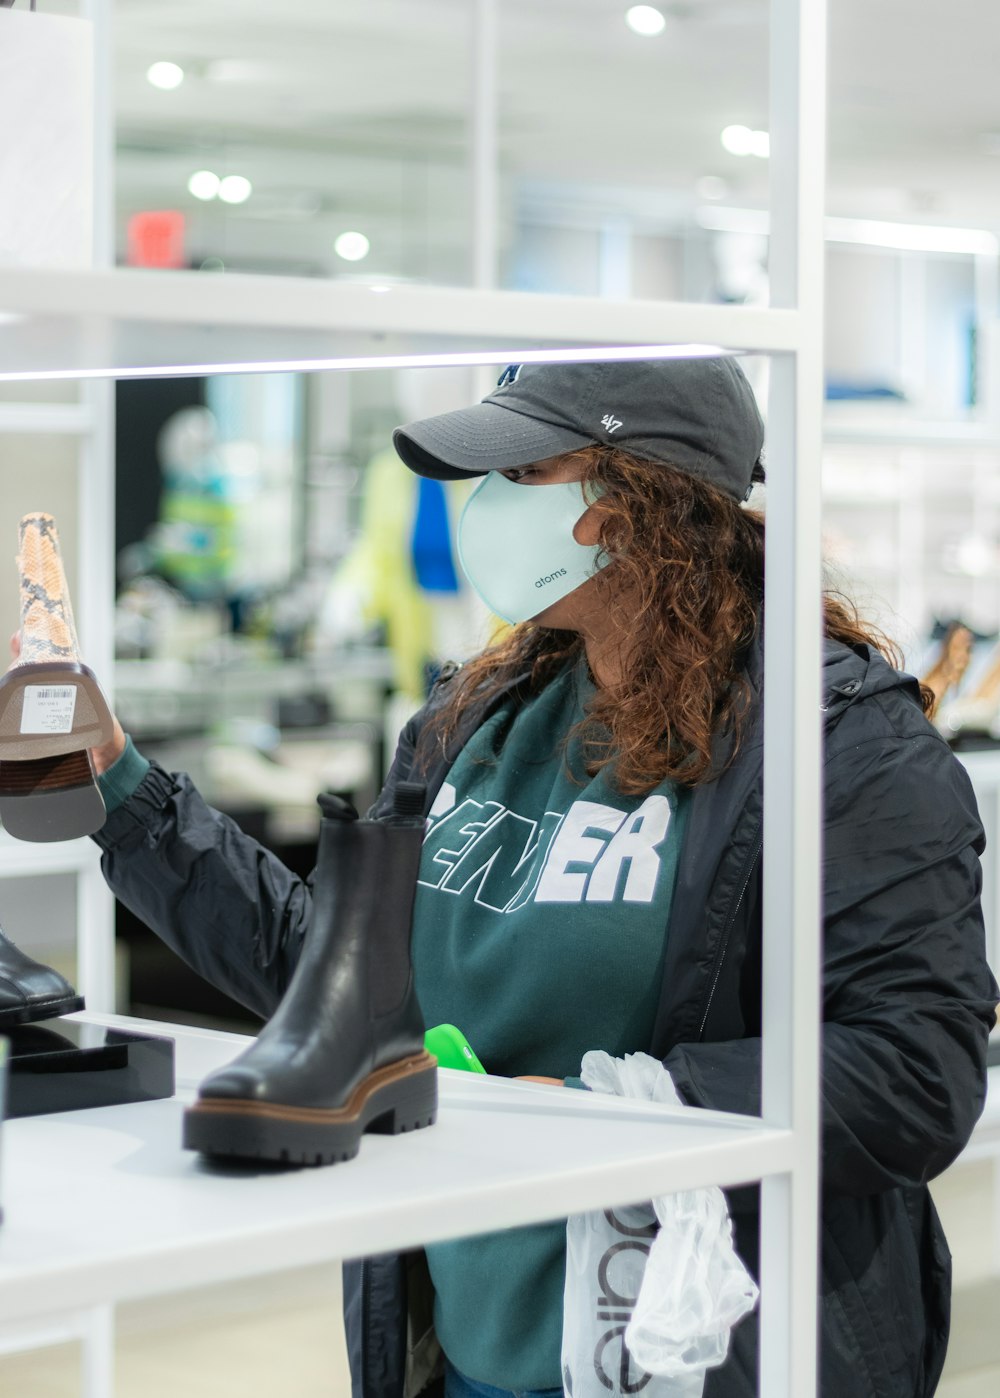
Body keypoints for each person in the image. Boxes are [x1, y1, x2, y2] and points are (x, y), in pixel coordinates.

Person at [82, 357, 996, 1398]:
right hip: (469, 1343)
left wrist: (596, 1109)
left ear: (631, 504)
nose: (483, 506)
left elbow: (916, 1070)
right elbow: (339, 977)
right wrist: (122, 789)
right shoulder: (476, 719)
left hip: (700, 1350)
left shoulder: (838, 747)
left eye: (523, 472)